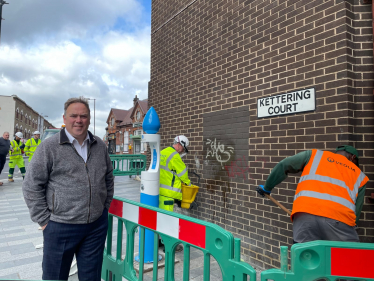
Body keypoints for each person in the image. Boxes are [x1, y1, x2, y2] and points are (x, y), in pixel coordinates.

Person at [23, 97, 114, 281]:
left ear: (89, 119)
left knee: (91, 277)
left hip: (95, 226)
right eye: (74, 116)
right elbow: (31, 185)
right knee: (55, 276)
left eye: (83, 116)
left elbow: (108, 178)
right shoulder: (48, 147)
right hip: (60, 226)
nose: (78, 120)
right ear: (64, 118)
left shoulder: (99, 145)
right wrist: (44, 220)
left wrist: (104, 209)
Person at [257, 145, 369, 244]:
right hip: (339, 222)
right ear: (353, 158)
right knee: (348, 259)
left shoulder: (314, 155)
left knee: (306, 258)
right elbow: (356, 212)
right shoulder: (359, 175)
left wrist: (267, 188)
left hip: (304, 216)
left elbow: (284, 164)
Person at [159, 135, 191, 212]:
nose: (182, 151)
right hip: (169, 194)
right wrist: (189, 184)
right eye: (183, 149)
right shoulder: (175, 156)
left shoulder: (162, 152)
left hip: (159, 191)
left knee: (160, 216)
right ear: (179, 145)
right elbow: (183, 174)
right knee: (167, 218)